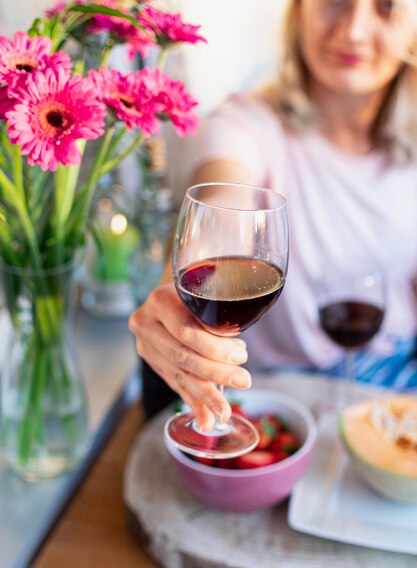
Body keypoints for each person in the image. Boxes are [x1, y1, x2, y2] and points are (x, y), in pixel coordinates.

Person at [129, 0, 417, 431]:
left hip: (393, 387)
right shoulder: (244, 124)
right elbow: (222, 208)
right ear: (299, 10)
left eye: (386, 6)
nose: (354, 30)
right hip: (276, 397)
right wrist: (176, 296)